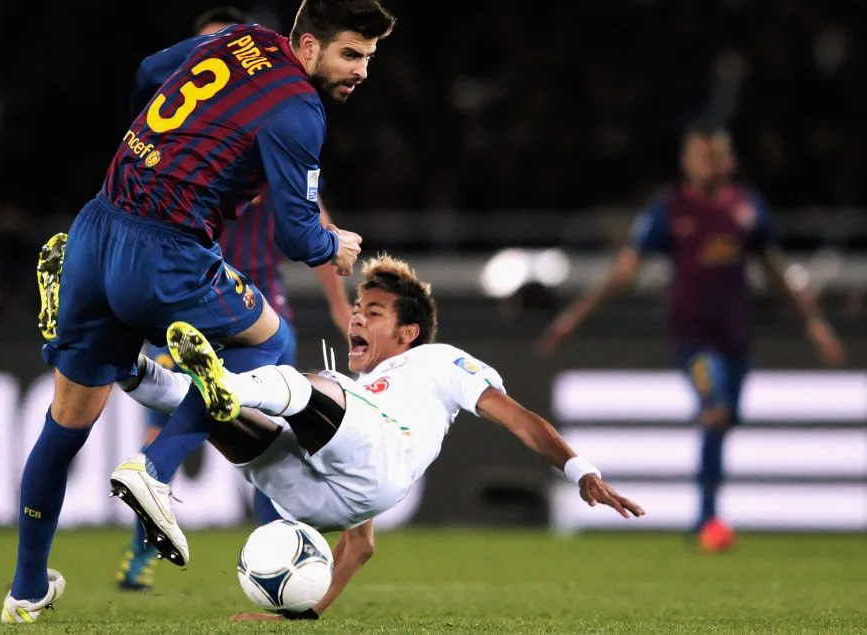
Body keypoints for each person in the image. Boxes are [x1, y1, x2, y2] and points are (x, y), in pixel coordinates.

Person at [1, 0, 395, 623]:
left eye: (369, 59)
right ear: (305, 44)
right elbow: (297, 234)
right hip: (166, 248)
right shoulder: (300, 109)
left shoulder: (240, 40)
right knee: (271, 343)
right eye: (350, 54)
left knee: (65, 424)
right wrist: (336, 244)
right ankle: (154, 467)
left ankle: (25, 589)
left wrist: (160, 151)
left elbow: (148, 71)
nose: (361, 71)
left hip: (98, 226)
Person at [111, 254, 645, 621]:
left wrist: (581, 470)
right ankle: (117, 361)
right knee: (205, 406)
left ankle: (224, 384)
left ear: (407, 333)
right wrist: (302, 616)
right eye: (357, 310)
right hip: (321, 497)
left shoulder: (437, 360)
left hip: (379, 460)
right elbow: (360, 545)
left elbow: (520, 419)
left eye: (373, 312)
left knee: (307, 386)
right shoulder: (369, 392)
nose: (356, 320)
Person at [115, 5, 353, 592]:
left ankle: (268, 548)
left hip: (244, 292)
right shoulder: (203, 135)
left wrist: (343, 306)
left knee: (253, 425)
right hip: (189, 283)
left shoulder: (263, 125)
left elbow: (310, 221)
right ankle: (143, 547)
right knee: (183, 413)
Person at [539, 123, 845, 552]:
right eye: (702, 156)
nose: (709, 163)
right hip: (694, 339)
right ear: (687, 162)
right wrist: (573, 318)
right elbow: (626, 273)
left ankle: (706, 515)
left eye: (716, 155)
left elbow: (774, 271)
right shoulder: (669, 211)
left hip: (737, 338)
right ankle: (706, 520)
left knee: (724, 421)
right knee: (715, 407)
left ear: (730, 161)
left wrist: (814, 323)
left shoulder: (746, 208)